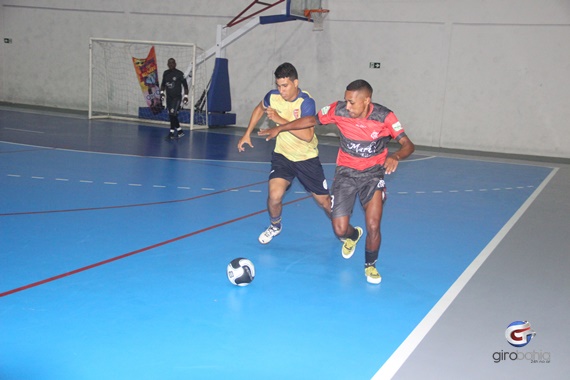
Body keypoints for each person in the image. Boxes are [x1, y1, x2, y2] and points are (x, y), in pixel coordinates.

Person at [259, 79, 415, 284]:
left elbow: (408, 144)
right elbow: (310, 121)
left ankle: (370, 266)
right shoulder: (338, 110)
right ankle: (352, 237)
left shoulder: (385, 116)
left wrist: (396, 157)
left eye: (351, 102)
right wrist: (281, 127)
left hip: (372, 175)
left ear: (366, 100)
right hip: (346, 174)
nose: (347, 106)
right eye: (345, 101)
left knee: (374, 224)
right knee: (340, 229)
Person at [237, 62, 339, 245]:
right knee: (274, 196)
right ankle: (275, 226)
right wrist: (247, 133)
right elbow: (260, 108)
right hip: (282, 156)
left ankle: (343, 227)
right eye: (278, 85)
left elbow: (308, 136)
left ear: (296, 83)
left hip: (306, 158)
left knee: (324, 202)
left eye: (285, 86)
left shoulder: (306, 102)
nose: (281, 90)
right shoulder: (273, 96)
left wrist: (279, 121)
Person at [160, 58, 189, 140]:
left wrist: (186, 96)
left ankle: (172, 132)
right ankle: (179, 131)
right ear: (167, 64)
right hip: (169, 98)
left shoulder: (180, 74)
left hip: (177, 98)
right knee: (171, 115)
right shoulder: (165, 73)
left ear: (175, 64)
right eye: (169, 63)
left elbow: (185, 86)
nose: (171, 64)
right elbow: (163, 85)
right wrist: (162, 93)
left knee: (172, 114)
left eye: (172, 63)